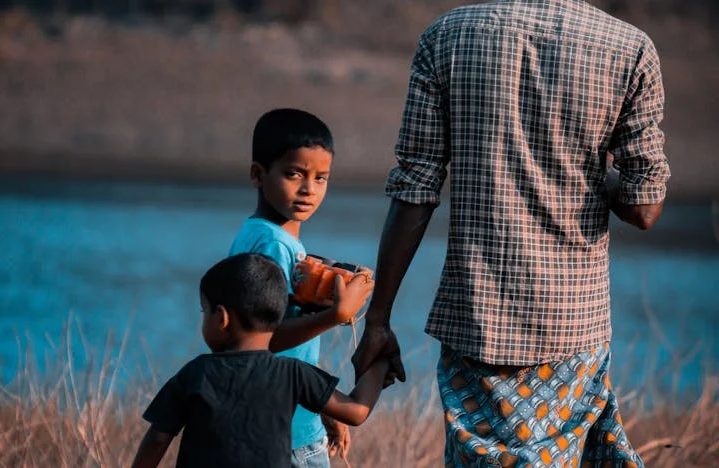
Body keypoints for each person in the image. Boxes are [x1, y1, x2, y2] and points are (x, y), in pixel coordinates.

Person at [351, 1, 671, 466]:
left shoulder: (446, 37)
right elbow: (643, 207)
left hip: (475, 319)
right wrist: (588, 172)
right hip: (571, 324)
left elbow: (415, 188)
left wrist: (378, 319)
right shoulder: (630, 49)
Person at [131, 253, 389, 468]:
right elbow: (356, 411)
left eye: (204, 311)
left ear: (221, 318)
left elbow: (158, 439)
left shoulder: (195, 373)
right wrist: (380, 361)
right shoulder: (292, 373)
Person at [229, 108, 375, 466]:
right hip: (286, 438)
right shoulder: (273, 245)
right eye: (294, 174)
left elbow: (289, 349)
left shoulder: (264, 235)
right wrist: (336, 315)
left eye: (321, 177)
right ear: (258, 174)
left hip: (284, 422)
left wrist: (320, 407)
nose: (309, 189)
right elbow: (260, 340)